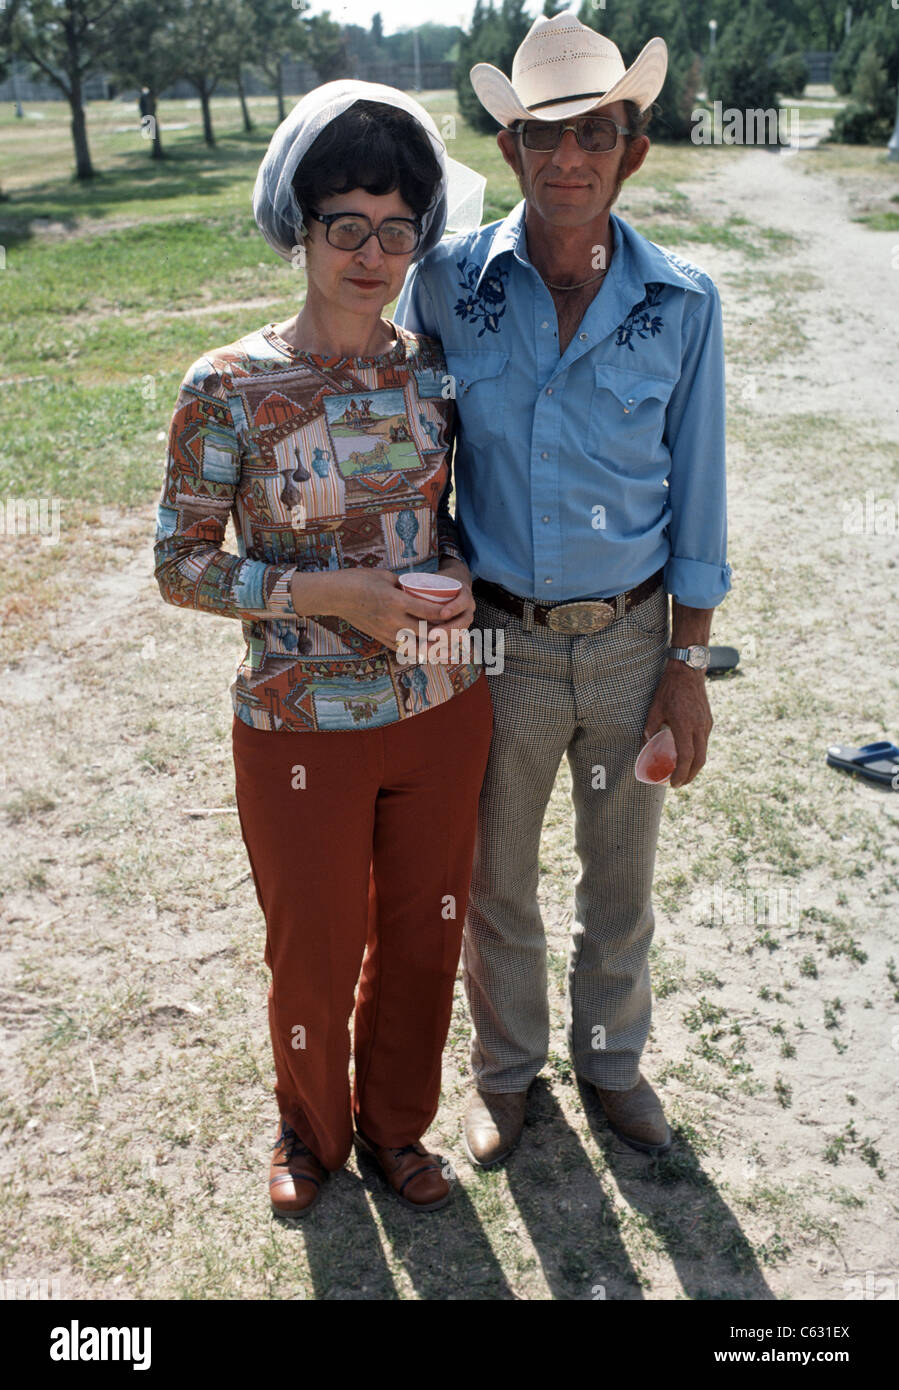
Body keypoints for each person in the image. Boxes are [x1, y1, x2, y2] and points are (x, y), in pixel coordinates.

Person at [395, 12, 731, 1165]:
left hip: (636, 638)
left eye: (597, 131)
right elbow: (407, 455)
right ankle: (504, 1079)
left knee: (619, 877)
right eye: (544, 136)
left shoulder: (681, 304)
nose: (570, 158)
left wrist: (686, 664)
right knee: (493, 877)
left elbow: (699, 496)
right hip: (496, 641)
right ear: (509, 151)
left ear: (632, 149)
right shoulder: (445, 286)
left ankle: (612, 1068)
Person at [154, 81, 492, 1216]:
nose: (371, 252)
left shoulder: (434, 370)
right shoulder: (227, 388)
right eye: (344, 224)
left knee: (421, 935)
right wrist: (322, 591)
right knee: (310, 946)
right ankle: (311, 1134)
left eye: (397, 228)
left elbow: (463, 523)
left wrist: (465, 583)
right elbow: (181, 562)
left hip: (444, 710)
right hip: (299, 724)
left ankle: (400, 1128)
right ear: (295, 224)